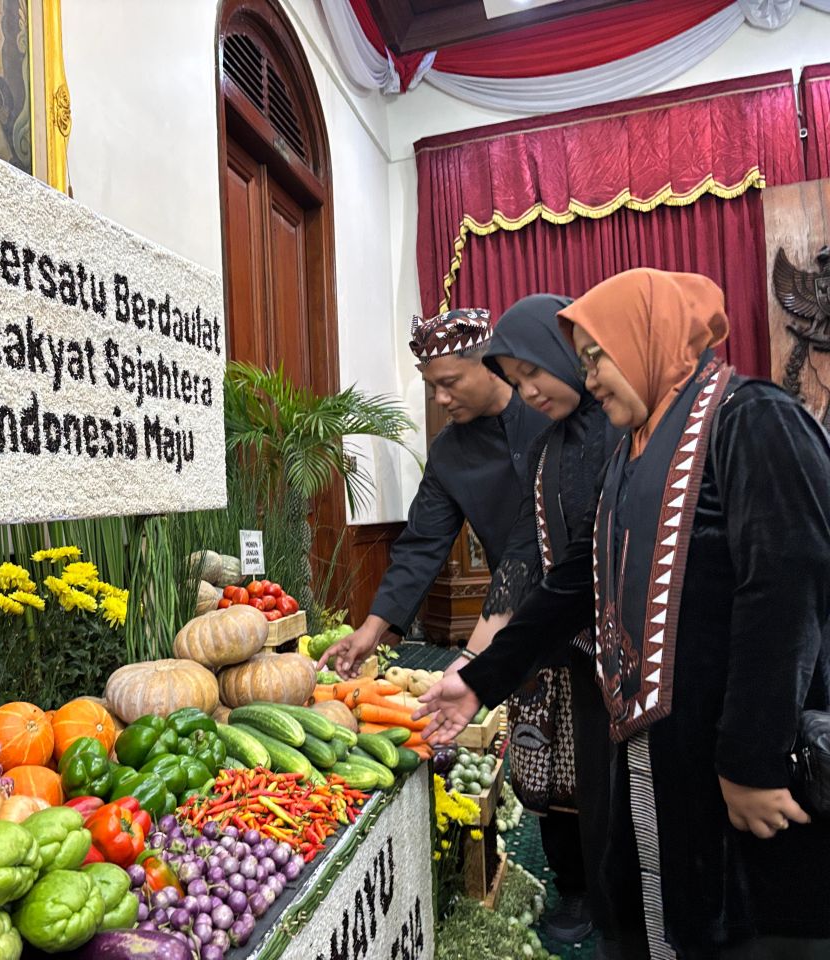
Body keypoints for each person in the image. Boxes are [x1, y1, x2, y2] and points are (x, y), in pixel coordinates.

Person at [417, 269, 830, 960]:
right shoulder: (634, 453)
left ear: (648, 337)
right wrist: (482, 678)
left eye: (596, 357)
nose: (591, 378)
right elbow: (573, 583)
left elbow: (788, 593)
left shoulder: (752, 419)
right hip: (655, 758)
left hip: (738, 777)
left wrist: (752, 762)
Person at [480, 294, 622, 945]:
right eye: (514, 380)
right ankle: (575, 888)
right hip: (555, 646)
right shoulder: (545, 450)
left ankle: (621, 886)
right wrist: (478, 657)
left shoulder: (631, 431)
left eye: (532, 370)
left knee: (618, 780)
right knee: (554, 775)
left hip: (626, 650)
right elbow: (522, 554)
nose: (527, 389)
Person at [318, 307, 549, 678]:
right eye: (432, 388)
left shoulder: (550, 409)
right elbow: (422, 544)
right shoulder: (448, 452)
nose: (440, 398)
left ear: (490, 365)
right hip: (511, 619)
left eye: (450, 382)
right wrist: (373, 628)